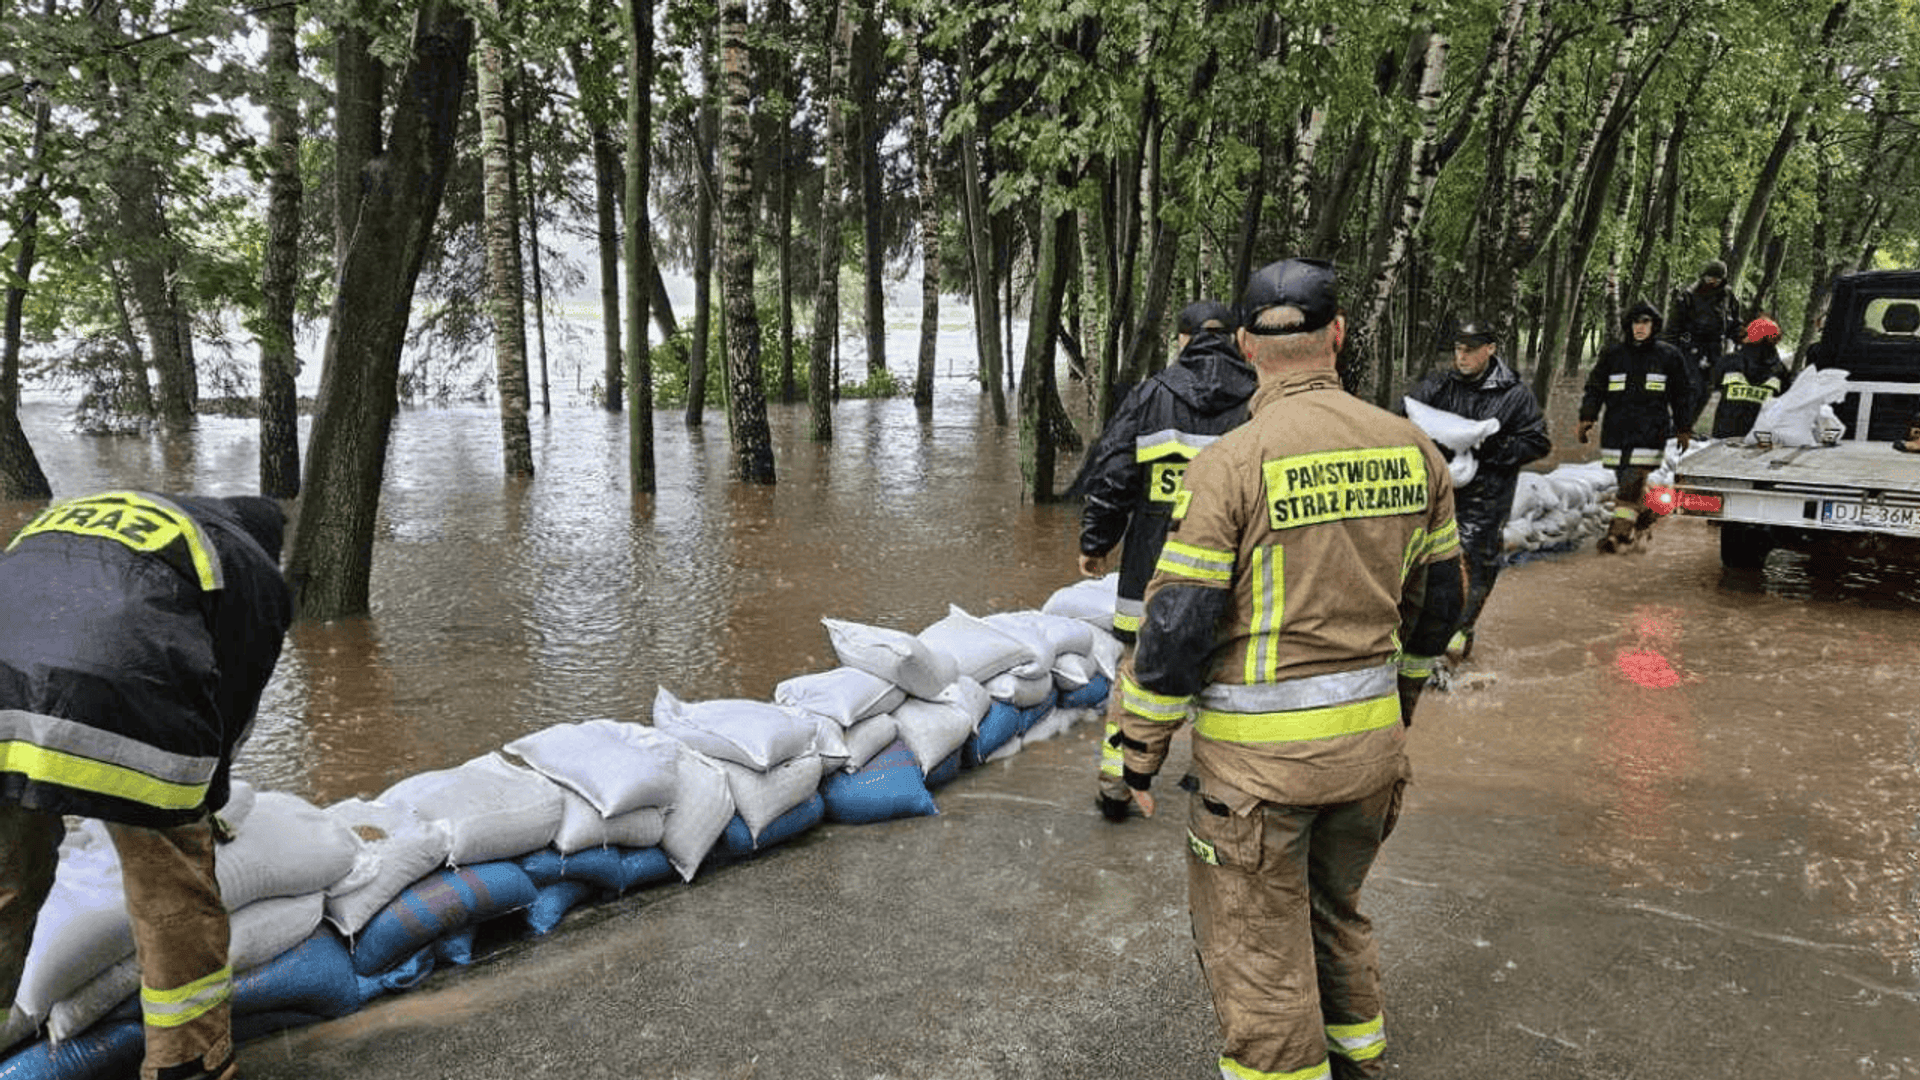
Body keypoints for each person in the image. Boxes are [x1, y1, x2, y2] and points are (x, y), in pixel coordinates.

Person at [1103, 258, 1464, 1080]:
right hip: (1370, 761)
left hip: (1258, 779)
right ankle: (1359, 1059)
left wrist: (1139, 751)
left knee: (1258, 949)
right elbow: (1440, 607)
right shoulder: (1414, 451)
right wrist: (1397, 704)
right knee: (1337, 913)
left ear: (1245, 346)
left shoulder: (1232, 464)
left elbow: (1177, 628)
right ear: (1337, 335)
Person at [0, 492, 294, 1080]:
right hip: (121, 682)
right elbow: (229, 701)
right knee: (171, 877)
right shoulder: (251, 568)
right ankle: (190, 1060)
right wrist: (206, 805)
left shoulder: (112, 513)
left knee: (5, 881)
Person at [1073, 299, 1258, 820]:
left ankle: (1116, 784)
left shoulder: (1153, 393)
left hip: (1154, 565)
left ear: (1183, 340)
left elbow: (1113, 472)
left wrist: (1096, 541)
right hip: (1236, 565)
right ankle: (1216, 779)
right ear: (1239, 340)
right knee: (1229, 673)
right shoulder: (1261, 398)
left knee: (1136, 673)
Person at [1404, 320, 1550, 664]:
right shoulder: (1440, 385)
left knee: (1472, 560)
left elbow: (1538, 442)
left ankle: (1459, 632)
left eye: (1470, 349)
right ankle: (1422, 632)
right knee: (1425, 558)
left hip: (1487, 495)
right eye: (1458, 348)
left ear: (1490, 349)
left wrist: (1491, 448)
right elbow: (1405, 415)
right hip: (1439, 490)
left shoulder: (1513, 395)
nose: (1462, 356)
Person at [1578, 302, 1695, 553]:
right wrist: (1587, 417)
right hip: (1616, 432)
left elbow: (1682, 395)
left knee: (1631, 481)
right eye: (1635, 323)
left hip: (1650, 432)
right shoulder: (1613, 355)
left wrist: (1684, 427)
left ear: (1654, 326)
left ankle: (1618, 536)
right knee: (1626, 482)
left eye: (1645, 323)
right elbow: (1595, 388)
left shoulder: (1669, 356)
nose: (1640, 328)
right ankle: (1647, 514)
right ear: (1628, 326)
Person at [1664, 260, 1745, 423]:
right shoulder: (1689, 295)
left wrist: (1744, 338)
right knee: (1693, 387)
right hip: (1691, 348)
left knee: (1707, 389)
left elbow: (1734, 324)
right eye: (1709, 277)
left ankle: (1687, 425)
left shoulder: (1728, 296)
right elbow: (1673, 327)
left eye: (1716, 278)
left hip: (1715, 350)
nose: (1712, 281)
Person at [1706, 316, 1794, 440]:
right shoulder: (1780, 371)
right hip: (1760, 436)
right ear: (1776, 339)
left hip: (1724, 433)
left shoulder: (1728, 362)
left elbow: (1712, 384)